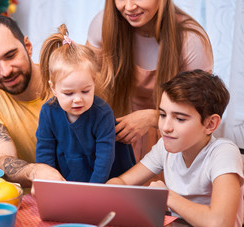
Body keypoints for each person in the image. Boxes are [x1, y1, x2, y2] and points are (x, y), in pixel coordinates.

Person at [107, 70, 244, 227]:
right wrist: (111, 189)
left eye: (180, 119)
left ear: (210, 124)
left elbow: (219, 226)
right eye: (163, 115)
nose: (165, 127)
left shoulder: (223, 153)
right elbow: (122, 181)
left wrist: (168, 196)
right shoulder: (164, 148)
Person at [87, 0, 214, 162]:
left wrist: (152, 117)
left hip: (171, 142)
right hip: (119, 136)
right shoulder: (106, 23)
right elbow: (88, 81)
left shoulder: (190, 39)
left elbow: (202, 112)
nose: (129, 7)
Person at [0, 14, 64, 187]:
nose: (5, 71)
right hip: (32, 200)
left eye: (10, 55)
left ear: (27, 46)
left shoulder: (65, 77)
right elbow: (1, 159)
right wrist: (35, 171)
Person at [36, 24, 135, 183]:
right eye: (69, 93)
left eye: (85, 91)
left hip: (104, 181)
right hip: (68, 180)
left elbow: (105, 159)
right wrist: (49, 184)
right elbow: (44, 152)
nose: (78, 99)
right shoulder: (48, 112)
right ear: (53, 88)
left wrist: (93, 189)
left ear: (93, 83)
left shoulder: (103, 113)